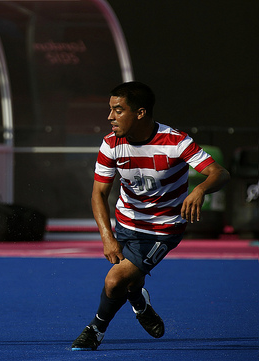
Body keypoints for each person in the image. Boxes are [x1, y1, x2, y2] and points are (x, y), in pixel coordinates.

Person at [71, 81, 230, 351]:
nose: (110, 117)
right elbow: (98, 194)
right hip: (126, 223)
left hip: (163, 230)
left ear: (141, 113)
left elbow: (220, 173)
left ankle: (95, 329)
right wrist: (107, 238)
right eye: (110, 110)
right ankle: (140, 302)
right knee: (133, 278)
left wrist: (200, 189)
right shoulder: (111, 143)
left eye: (118, 110)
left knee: (115, 279)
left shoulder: (176, 141)